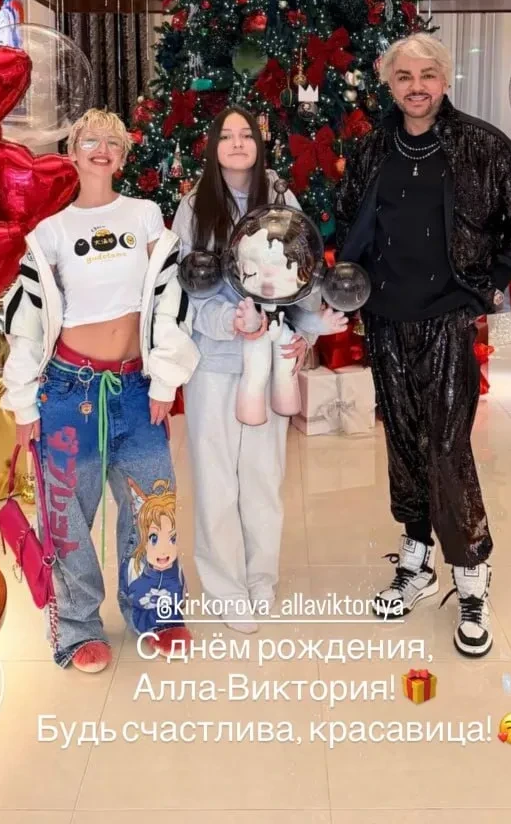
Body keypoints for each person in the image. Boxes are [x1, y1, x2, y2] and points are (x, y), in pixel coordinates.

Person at [336, 37, 511, 658]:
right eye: (404, 76)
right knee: (404, 442)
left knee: (447, 447)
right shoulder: (372, 148)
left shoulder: (482, 145)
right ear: (390, 83)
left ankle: (471, 573)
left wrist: (488, 284)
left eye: (428, 74)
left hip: (449, 319)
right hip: (385, 318)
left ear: (446, 79)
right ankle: (417, 557)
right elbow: (349, 222)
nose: (417, 86)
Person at [1, 109, 199, 672]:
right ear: (73, 153)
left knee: (152, 501)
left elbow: (168, 300)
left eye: (113, 141)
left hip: (136, 388)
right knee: (66, 514)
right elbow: (28, 320)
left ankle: (156, 610)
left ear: (123, 155)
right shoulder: (50, 231)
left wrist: (165, 379)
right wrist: (23, 401)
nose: (101, 148)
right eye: (90, 140)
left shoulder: (144, 215)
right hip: (68, 391)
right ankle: (78, 626)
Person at [172, 106, 346, 633]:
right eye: (226, 135)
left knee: (264, 478)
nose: (237, 143)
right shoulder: (194, 207)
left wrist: (313, 327)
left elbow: (301, 276)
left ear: (258, 142)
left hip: (268, 363)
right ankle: (226, 587)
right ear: (213, 146)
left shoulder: (281, 198)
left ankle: (260, 578)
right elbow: (186, 288)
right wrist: (229, 322)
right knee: (217, 481)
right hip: (214, 364)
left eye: (245, 134)